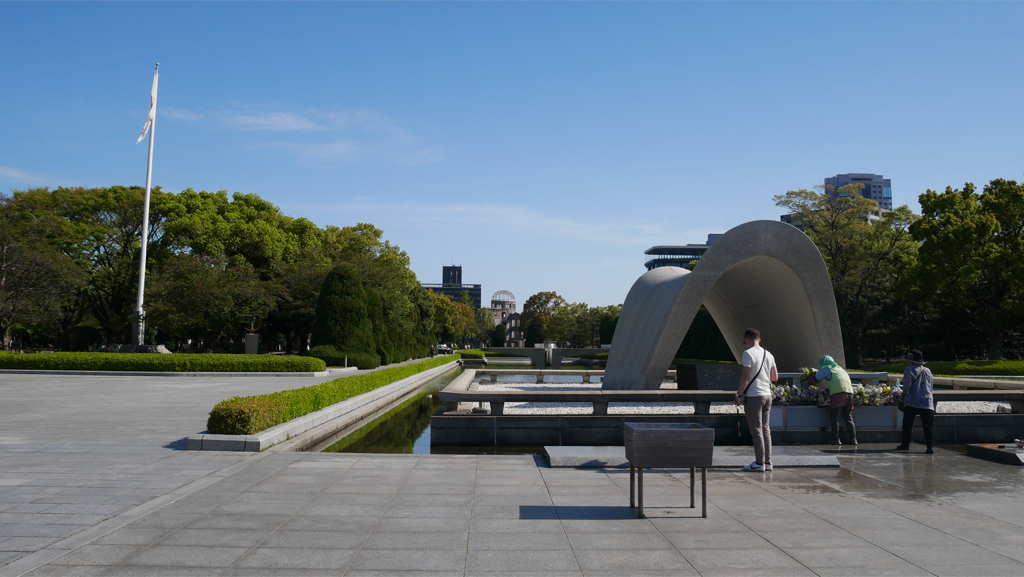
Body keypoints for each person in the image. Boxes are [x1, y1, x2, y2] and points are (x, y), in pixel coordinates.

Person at [735, 328, 778, 472]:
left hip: (754, 396)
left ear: (747, 339)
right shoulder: (769, 354)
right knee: (766, 429)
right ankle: (768, 462)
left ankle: (759, 463)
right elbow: (775, 377)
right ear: (759, 340)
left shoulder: (748, 353)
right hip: (767, 395)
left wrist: (739, 395)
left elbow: (745, 376)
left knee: (756, 430)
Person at [896, 349, 935, 454]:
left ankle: (905, 444)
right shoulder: (927, 370)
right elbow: (931, 384)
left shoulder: (909, 369)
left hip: (912, 399)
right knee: (927, 426)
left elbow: (907, 384)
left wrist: (903, 394)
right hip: (927, 401)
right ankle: (930, 447)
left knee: (908, 423)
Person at [812, 355, 857, 445]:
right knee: (848, 417)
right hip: (850, 393)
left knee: (834, 417)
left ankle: (835, 439)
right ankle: (853, 439)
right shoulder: (840, 369)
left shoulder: (826, 368)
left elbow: (815, 379)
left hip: (838, 394)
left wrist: (809, 378)